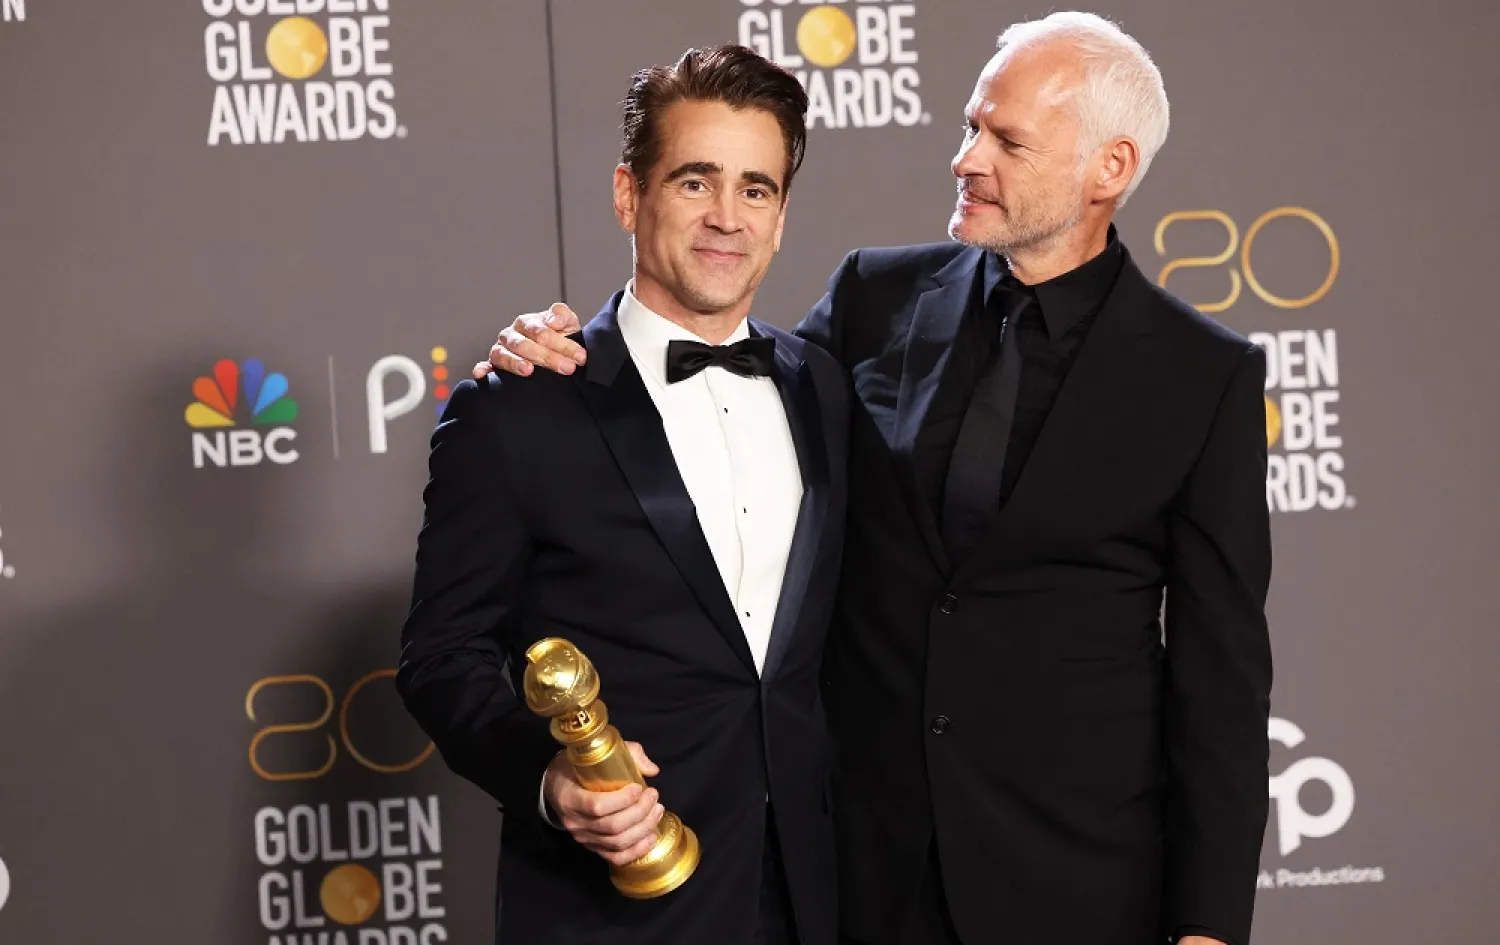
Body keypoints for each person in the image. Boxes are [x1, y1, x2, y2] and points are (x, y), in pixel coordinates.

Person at [481, 12, 1273, 945]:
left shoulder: (1201, 376)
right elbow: (711, 403)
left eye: (1006, 140)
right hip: (860, 869)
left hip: (1077, 882)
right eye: (970, 125)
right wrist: (559, 353)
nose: (967, 158)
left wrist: (1209, 926)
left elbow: (1221, 683)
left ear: (1110, 169)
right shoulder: (875, 298)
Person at [398, 45, 848, 945]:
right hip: (608, 908)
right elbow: (440, 657)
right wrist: (548, 779)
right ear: (626, 194)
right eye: (695, 182)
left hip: (809, 898)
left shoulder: (822, 387)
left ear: (783, 214)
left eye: (756, 188)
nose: (728, 217)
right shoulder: (518, 409)